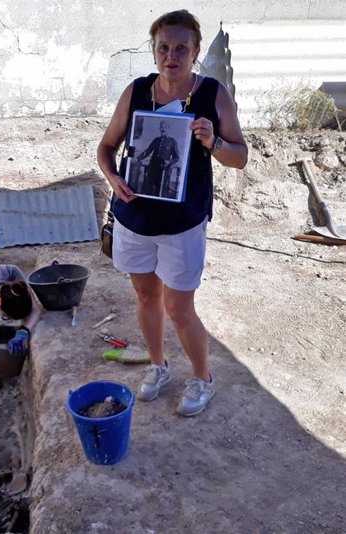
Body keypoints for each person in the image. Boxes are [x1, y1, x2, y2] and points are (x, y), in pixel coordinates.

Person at [96, 10, 248, 416]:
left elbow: (240, 157)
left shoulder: (213, 95)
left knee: (179, 308)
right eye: (164, 47)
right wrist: (113, 179)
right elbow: (106, 147)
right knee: (146, 296)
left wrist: (213, 142)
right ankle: (159, 367)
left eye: (181, 48)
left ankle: (203, 378)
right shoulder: (137, 92)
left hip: (182, 224)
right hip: (135, 218)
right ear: (154, 50)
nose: (171, 56)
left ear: (196, 51)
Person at [136, 120, 180, 196]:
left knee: (160, 192)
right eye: (162, 127)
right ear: (159, 128)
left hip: (163, 170)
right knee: (148, 190)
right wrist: (137, 158)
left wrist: (169, 162)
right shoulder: (156, 140)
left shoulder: (172, 141)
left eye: (165, 127)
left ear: (168, 129)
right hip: (152, 169)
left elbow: (176, 157)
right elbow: (148, 151)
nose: (163, 129)